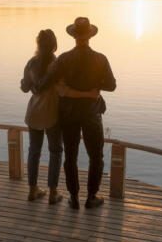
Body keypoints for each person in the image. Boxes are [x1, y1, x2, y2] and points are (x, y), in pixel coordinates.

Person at [43, 16, 116, 209]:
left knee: (71, 156)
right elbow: (111, 85)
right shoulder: (100, 59)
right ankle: (91, 197)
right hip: (92, 113)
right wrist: (95, 87)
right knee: (96, 156)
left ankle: (74, 197)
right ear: (89, 36)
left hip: (68, 113)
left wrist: (64, 87)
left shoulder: (63, 59)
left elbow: (49, 79)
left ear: (74, 36)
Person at [20, 29, 63, 204]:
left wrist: (28, 83)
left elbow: (24, 87)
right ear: (54, 45)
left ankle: (33, 190)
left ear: (38, 44)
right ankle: (53, 192)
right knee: (55, 151)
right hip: (52, 111)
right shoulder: (57, 64)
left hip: (34, 112)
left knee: (34, 150)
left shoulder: (31, 63)